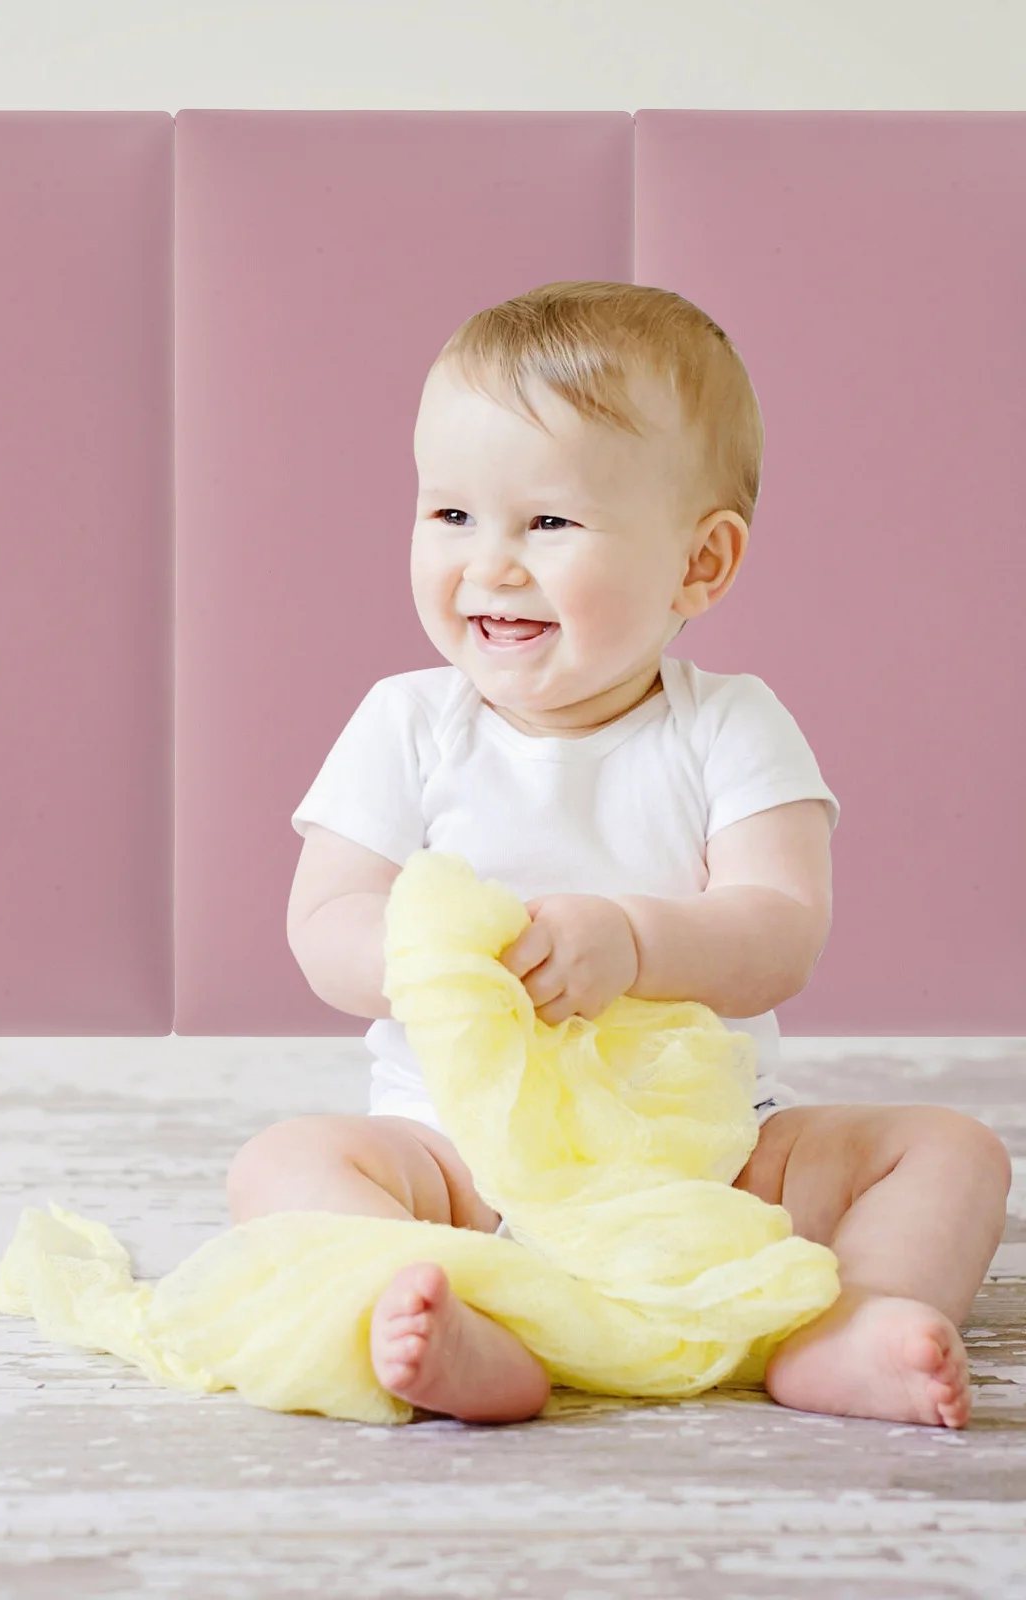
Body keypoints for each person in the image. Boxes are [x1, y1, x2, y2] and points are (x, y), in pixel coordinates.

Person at [227, 281, 1012, 1429]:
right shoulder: (406, 723)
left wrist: (634, 938)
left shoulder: (727, 725)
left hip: (706, 1162)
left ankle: (853, 1325)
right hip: (458, 1158)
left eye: (546, 523)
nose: (489, 564)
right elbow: (325, 922)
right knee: (283, 1163)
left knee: (952, 1150)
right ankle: (462, 1316)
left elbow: (780, 927)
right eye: (450, 515)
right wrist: (437, 964)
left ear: (701, 563)